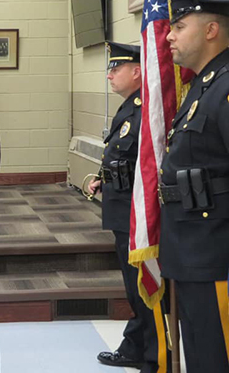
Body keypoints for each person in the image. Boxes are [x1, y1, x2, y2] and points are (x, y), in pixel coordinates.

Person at [157, 0, 229, 372]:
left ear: (211, 30)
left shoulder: (225, 86)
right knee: (200, 351)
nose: (169, 36)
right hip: (190, 247)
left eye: (180, 26)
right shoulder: (202, 86)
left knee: (217, 353)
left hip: (216, 253)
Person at [89, 42, 169, 373]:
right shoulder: (128, 108)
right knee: (132, 284)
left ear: (137, 71)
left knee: (143, 285)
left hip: (138, 213)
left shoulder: (146, 111)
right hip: (122, 206)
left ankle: (152, 353)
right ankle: (138, 345)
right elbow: (124, 158)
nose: (110, 74)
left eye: (116, 68)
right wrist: (102, 177)